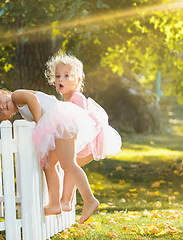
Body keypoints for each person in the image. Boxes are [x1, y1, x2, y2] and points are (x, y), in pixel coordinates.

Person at [0, 89, 100, 224]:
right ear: (6, 117)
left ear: (2, 92)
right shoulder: (21, 110)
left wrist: (40, 124)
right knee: (49, 165)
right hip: (57, 124)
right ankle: (54, 204)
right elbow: (48, 96)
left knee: (68, 164)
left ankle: (90, 200)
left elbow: (34, 100)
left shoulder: (16, 95)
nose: (1, 107)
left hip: (62, 121)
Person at [45, 52, 122, 212]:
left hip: (89, 140)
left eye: (67, 76)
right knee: (70, 166)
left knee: (70, 166)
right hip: (81, 140)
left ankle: (80, 200)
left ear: (78, 80)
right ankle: (65, 201)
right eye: (58, 76)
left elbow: (80, 120)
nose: (61, 80)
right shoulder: (66, 99)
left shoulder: (76, 97)